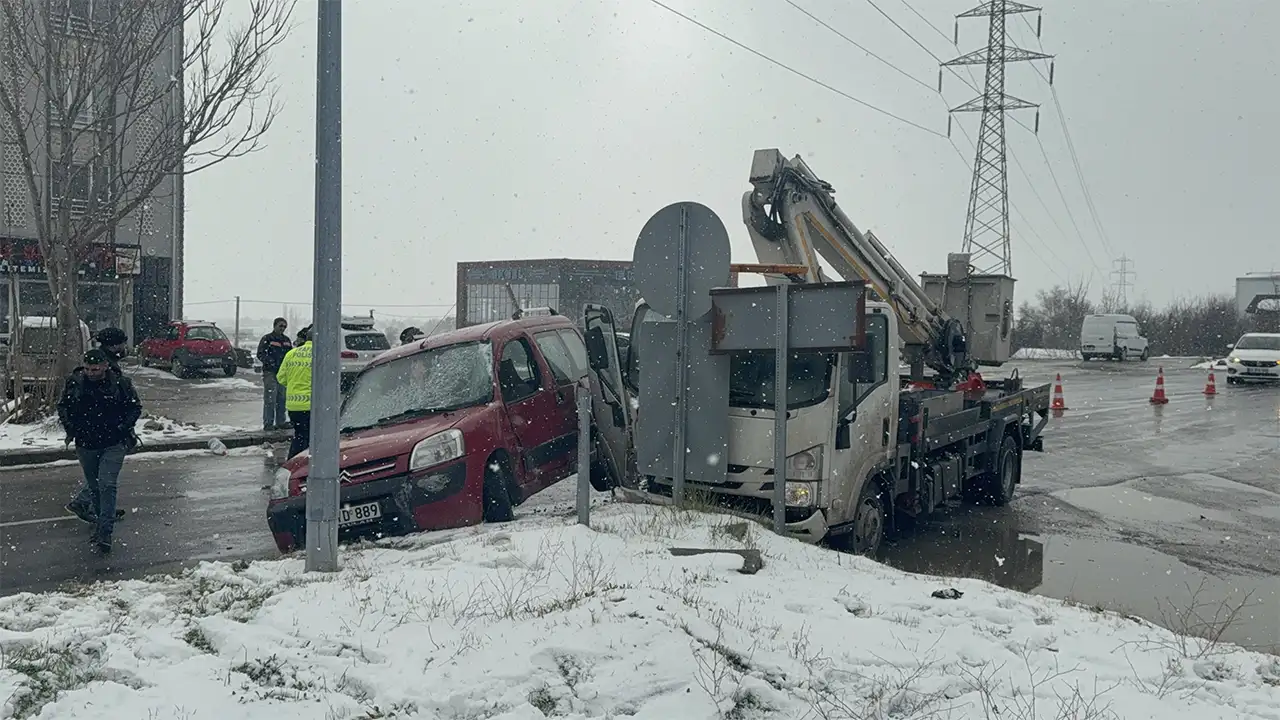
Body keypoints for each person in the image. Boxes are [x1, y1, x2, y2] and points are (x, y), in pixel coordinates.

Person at [58, 348, 143, 555]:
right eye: (87, 368)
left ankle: (105, 531)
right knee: (95, 487)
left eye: (95, 369)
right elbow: (63, 406)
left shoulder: (120, 383)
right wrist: (72, 428)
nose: (91, 373)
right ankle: (99, 520)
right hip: (86, 444)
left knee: (107, 484)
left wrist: (123, 427)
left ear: (105, 366)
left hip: (114, 443)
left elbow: (135, 407)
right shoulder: (75, 383)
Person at [276, 324, 314, 458]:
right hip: (313, 405)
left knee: (299, 436)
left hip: (294, 406)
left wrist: (294, 384)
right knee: (312, 439)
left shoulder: (291, 353)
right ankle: (306, 467)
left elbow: (281, 378)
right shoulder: (321, 355)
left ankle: (292, 463)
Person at [255, 317, 292, 431]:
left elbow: (290, 355)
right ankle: (268, 423)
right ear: (274, 325)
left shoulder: (286, 340)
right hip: (270, 372)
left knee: (282, 398)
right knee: (270, 398)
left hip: (283, 373)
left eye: (284, 327)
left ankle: (281, 422)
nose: (282, 328)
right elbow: (260, 354)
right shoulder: (267, 339)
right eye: (280, 326)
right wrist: (271, 362)